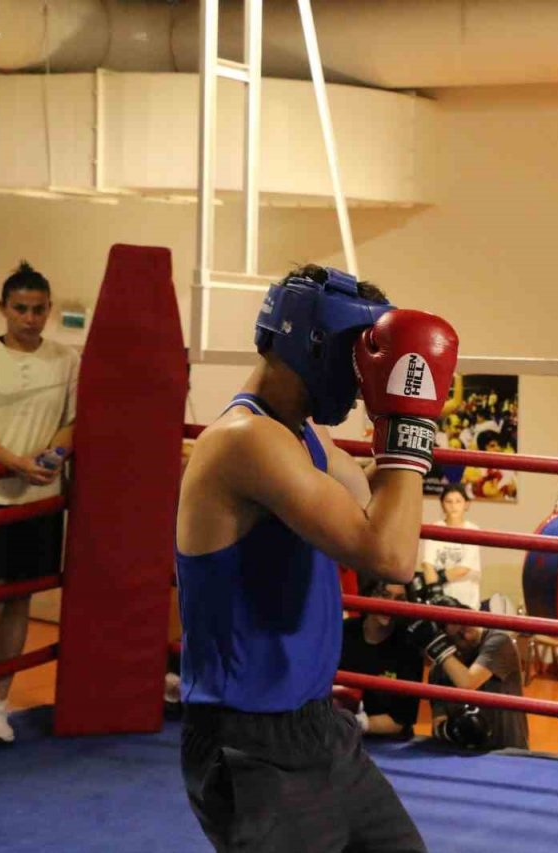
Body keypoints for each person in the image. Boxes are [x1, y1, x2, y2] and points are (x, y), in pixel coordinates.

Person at [175, 264, 457, 852]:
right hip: (251, 746)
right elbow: (389, 555)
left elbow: (368, 495)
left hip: (319, 726)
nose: (362, 383)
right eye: (359, 358)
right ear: (316, 345)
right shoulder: (245, 441)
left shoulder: (302, 435)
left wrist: (412, 430)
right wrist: (409, 427)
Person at [0, 262, 77, 761]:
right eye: (21, 308)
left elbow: (74, 419)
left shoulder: (65, 359)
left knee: (19, 602)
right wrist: (15, 462)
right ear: (3, 308)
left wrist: (54, 456)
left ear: (49, 310)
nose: (30, 318)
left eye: (38, 309)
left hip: (37, 499)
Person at [411, 594, 529, 750]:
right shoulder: (439, 671)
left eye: (465, 625)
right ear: (447, 641)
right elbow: (438, 725)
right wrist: (453, 730)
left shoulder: (498, 641)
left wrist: (438, 648)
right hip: (465, 757)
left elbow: (468, 683)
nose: (466, 635)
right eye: (458, 636)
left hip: (507, 751)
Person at [336, 578, 424, 737]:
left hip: (386, 742)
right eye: (384, 595)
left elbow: (401, 720)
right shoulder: (344, 631)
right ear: (369, 595)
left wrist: (355, 723)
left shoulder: (409, 645)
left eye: (399, 599)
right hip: (339, 734)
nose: (390, 604)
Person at [419, 483, 483, 608]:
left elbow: (464, 568)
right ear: (442, 505)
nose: (453, 506)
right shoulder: (434, 529)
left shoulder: (473, 531)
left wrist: (437, 581)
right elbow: (427, 564)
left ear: (466, 504)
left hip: (467, 601)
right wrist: (435, 593)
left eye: (458, 501)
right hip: (440, 601)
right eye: (449, 501)